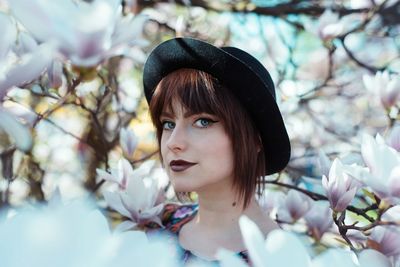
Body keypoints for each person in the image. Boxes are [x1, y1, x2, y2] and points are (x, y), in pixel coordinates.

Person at [142, 37, 291, 266]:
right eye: (168, 124)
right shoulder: (155, 225)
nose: (173, 142)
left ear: (255, 139)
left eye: (202, 122)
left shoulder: (279, 259)